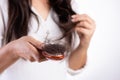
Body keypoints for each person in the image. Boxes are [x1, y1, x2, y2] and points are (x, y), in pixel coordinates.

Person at [0, 0, 96, 80]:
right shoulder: (3, 5)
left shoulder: (68, 5)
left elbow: (73, 68)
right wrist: (13, 50)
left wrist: (84, 44)